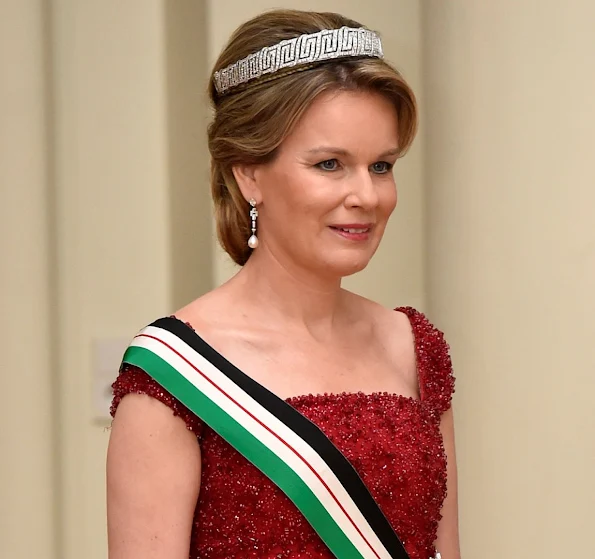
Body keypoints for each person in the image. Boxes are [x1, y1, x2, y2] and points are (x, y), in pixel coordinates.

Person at [107, 8, 460, 559]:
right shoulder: (171, 377)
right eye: (329, 164)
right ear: (248, 172)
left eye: (382, 165)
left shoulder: (411, 346)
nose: (367, 196)